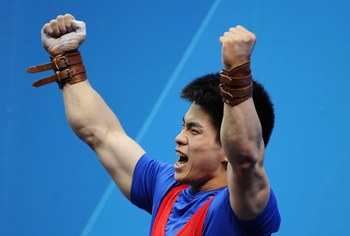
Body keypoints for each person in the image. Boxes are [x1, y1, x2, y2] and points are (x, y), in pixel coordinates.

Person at [27, 13, 280, 235]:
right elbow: (100, 133)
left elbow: (246, 158)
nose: (179, 138)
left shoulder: (241, 209)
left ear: (227, 149)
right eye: (183, 127)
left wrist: (237, 73)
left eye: (194, 130)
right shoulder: (166, 185)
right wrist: (66, 58)